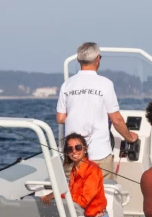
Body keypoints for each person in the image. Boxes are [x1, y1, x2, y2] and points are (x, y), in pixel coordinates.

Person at [56, 42, 139, 180]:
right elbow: (116, 120)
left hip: (73, 155)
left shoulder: (67, 84)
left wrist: (79, 117)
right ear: (98, 59)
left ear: (78, 60)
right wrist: (129, 137)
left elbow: (60, 118)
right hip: (99, 155)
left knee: (74, 196)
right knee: (101, 195)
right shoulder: (105, 84)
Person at [41, 133, 111, 217]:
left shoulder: (92, 170)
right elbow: (71, 193)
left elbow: (83, 201)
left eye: (78, 147)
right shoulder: (75, 169)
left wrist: (59, 195)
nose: (74, 151)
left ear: (85, 149)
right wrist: (55, 194)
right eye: (70, 149)